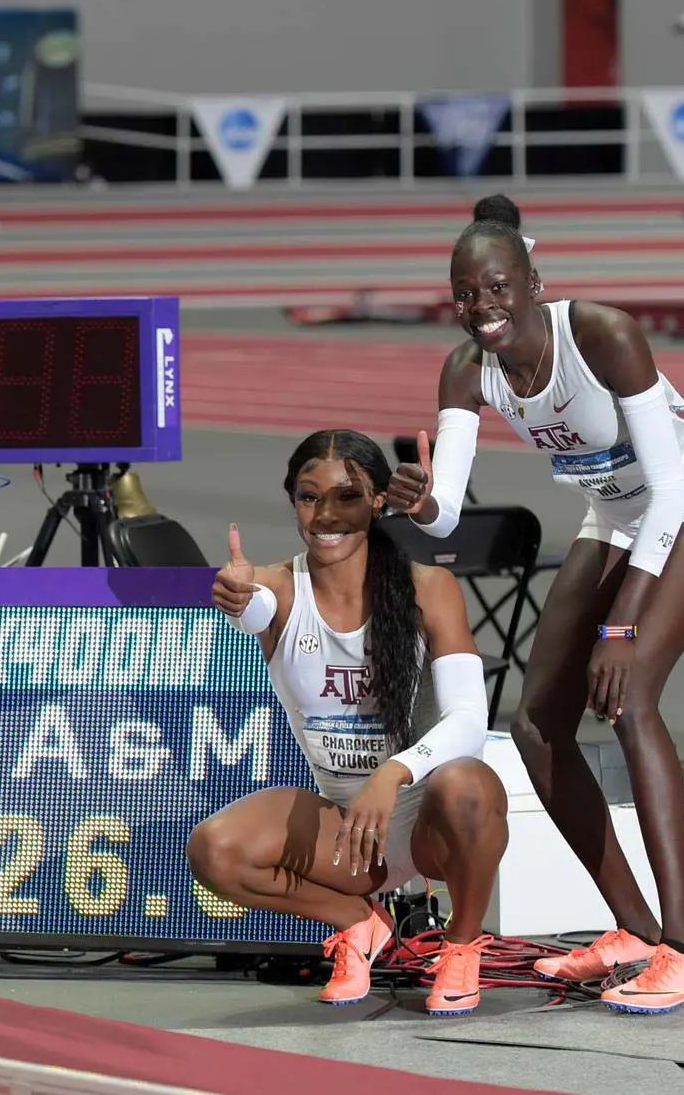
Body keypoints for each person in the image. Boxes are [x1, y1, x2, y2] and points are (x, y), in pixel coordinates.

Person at [384, 193, 684, 1014]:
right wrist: (421, 505)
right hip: (617, 513)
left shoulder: (600, 333)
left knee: (629, 698)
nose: (482, 307)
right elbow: (446, 511)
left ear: (530, 281)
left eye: (496, 288)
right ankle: (629, 929)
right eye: (466, 293)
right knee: (536, 724)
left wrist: (622, 626)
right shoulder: (465, 369)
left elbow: (666, 489)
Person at [188, 429, 508, 1017]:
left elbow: (470, 718)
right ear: (292, 502)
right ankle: (359, 925)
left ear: (379, 500)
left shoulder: (429, 586)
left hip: (424, 821)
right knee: (215, 849)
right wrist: (237, 598)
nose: (325, 515)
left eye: (346, 497)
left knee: (469, 783)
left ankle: (461, 945)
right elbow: (251, 605)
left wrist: (393, 775)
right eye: (309, 498)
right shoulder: (276, 587)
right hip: (350, 837)